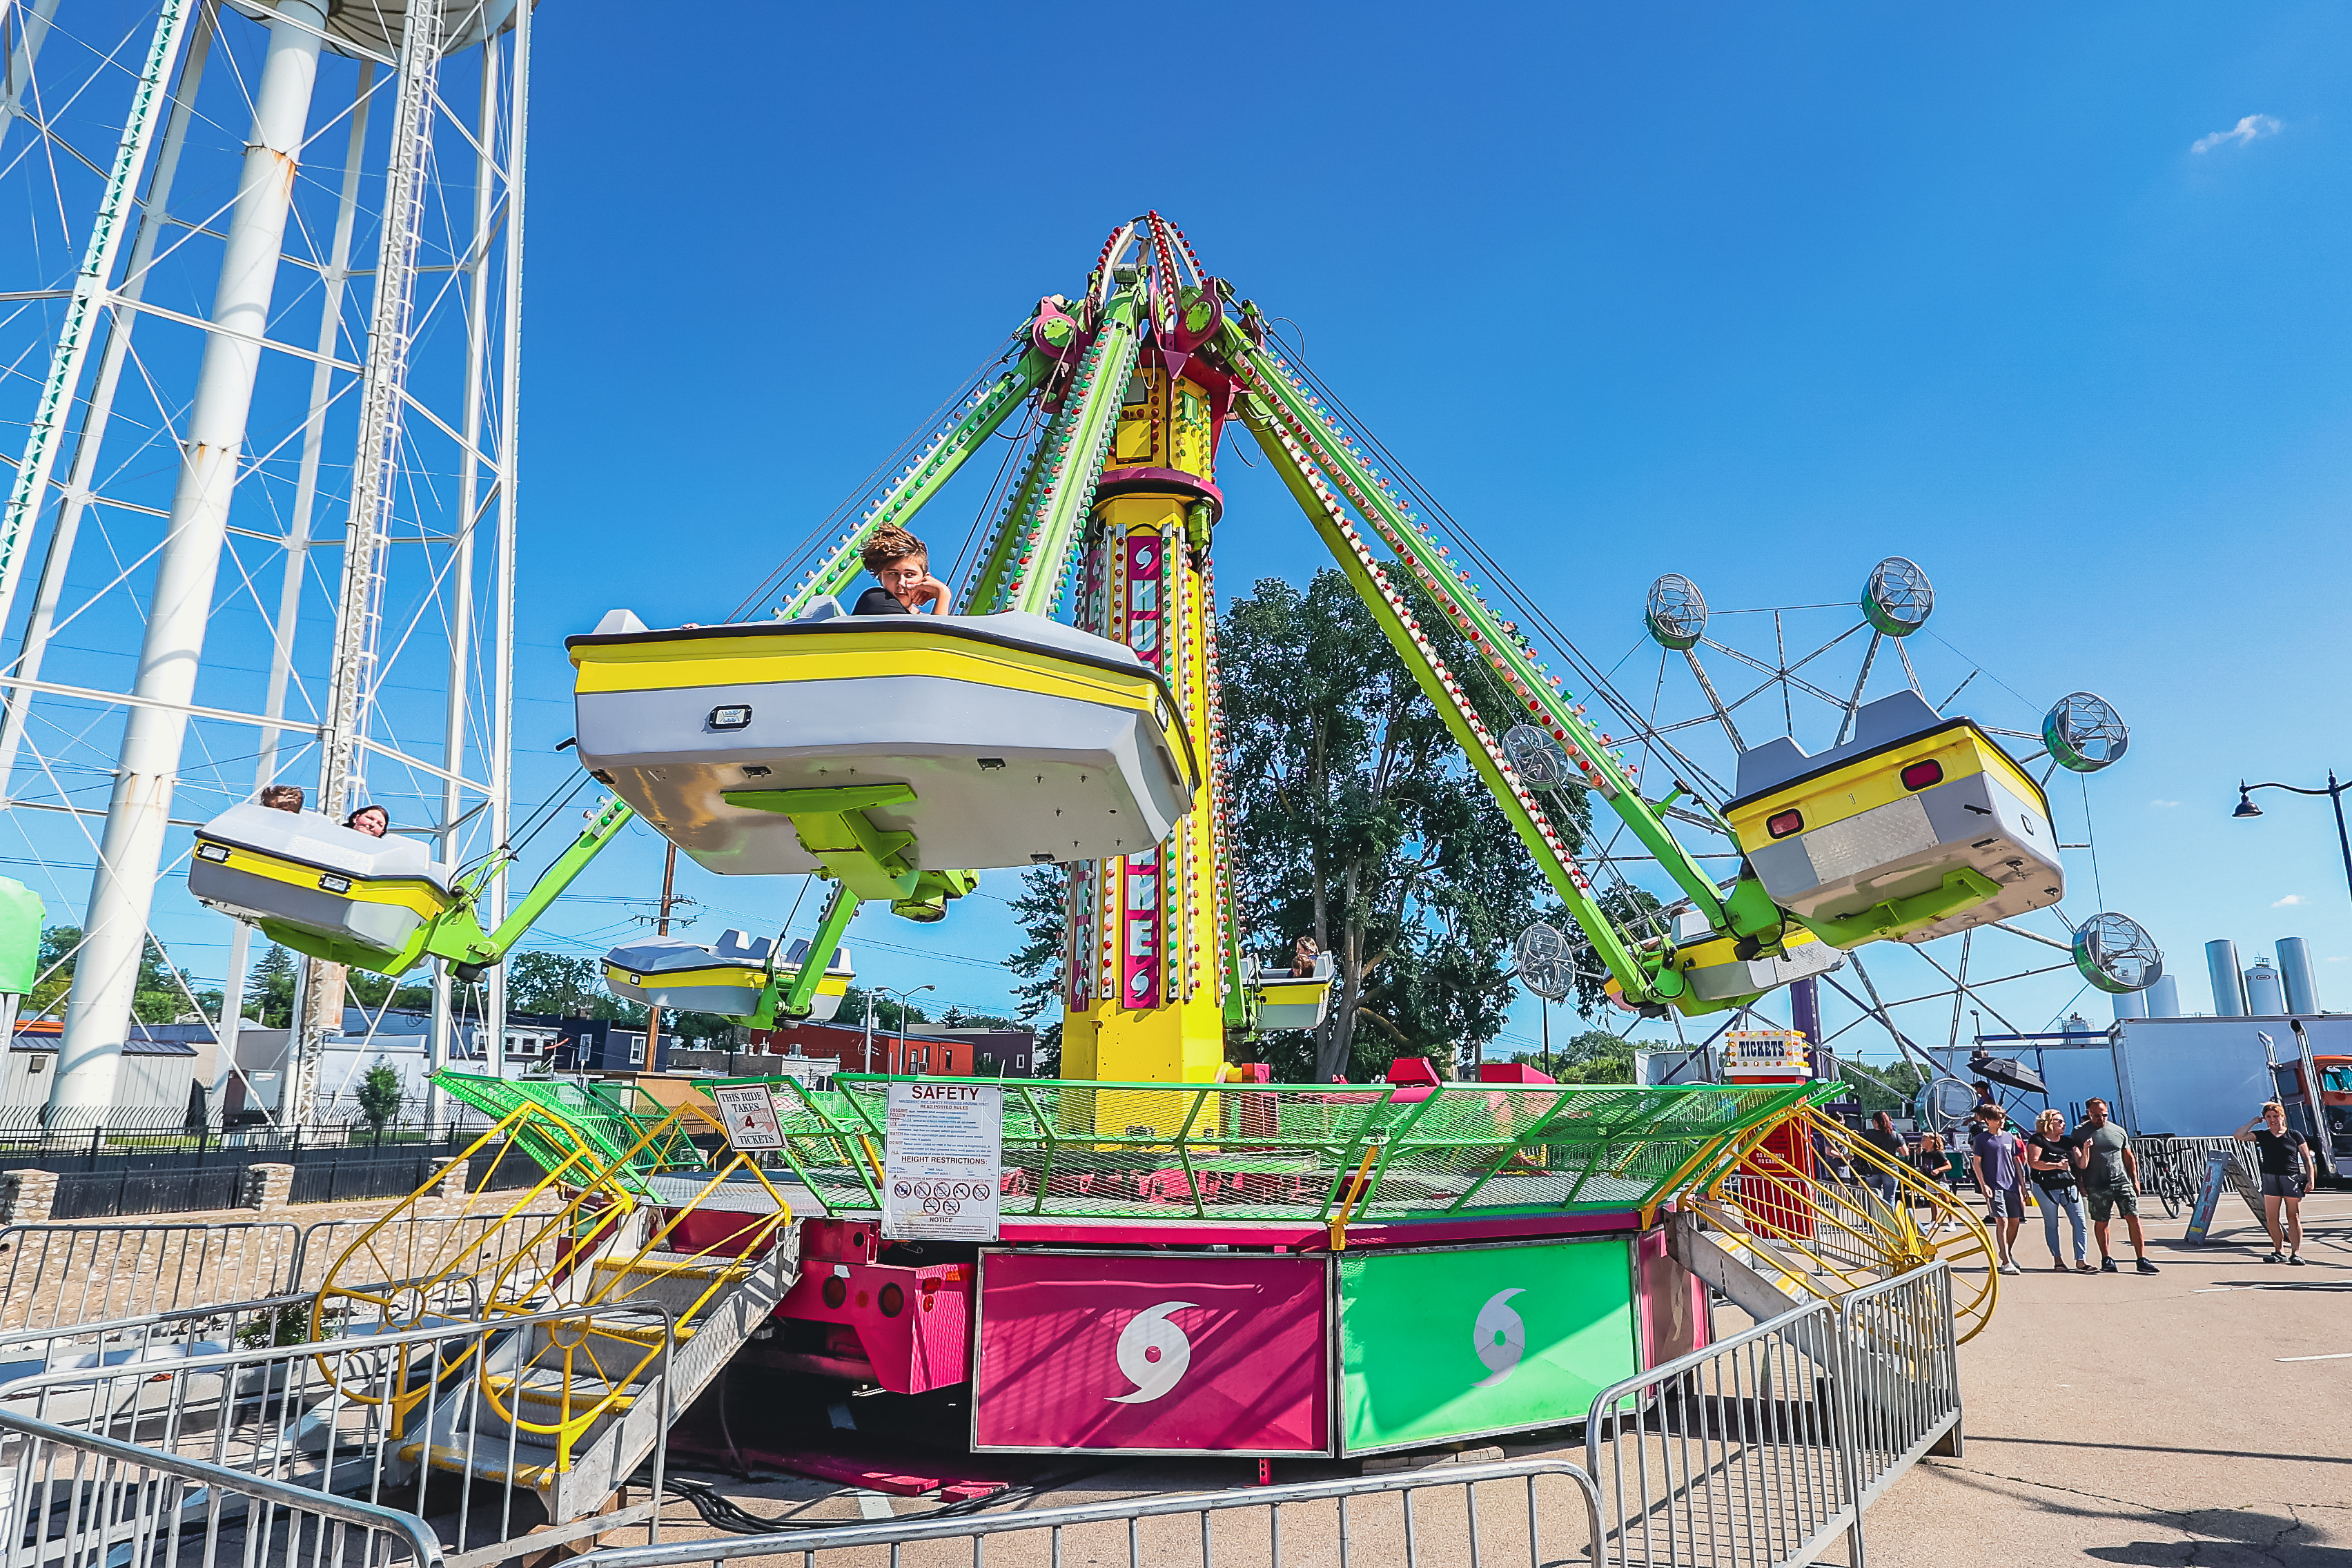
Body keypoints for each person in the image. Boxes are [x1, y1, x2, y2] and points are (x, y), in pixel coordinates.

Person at [2067, 1097, 2158, 1274]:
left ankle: (2142, 1259)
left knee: (2133, 1217)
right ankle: (2107, 1258)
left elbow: (2128, 1157)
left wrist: (2135, 1180)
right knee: (2102, 1221)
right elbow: (2077, 1162)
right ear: (2088, 1113)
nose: (2100, 1119)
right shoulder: (2079, 1133)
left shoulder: (2118, 1131)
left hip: (2121, 1181)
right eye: (2096, 1116)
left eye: (2104, 1115)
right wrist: (2080, 1183)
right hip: (2096, 1184)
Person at [2235, 1100, 2317, 1265]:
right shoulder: (2263, 1135)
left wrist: (2311, 1179)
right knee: (2272, 1218)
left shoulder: (2294, 1135)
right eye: (2269, 1117)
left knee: (2293, 1216)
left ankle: (2296, 1253)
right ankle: (2279, 1251)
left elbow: (2306, 1158)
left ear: (2282, 1117)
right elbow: (2239, 1135)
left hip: (2291, 1178)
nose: (2273, 1119)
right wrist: (2253, 1122)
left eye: (2276, 1116)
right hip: (2271, 1178)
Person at [2026, 1108, 2093, 1273]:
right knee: (2052, 1224)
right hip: (2045, 1187)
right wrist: (2056, 1165)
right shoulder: (2038, 1140)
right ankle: (2058, 1259)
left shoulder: (2068, 1142)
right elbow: (2034, 1162)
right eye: (2059, 1121)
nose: (2064, 1124)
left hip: (2068, 1186)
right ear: (2049, 1123)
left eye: (2063, 1121)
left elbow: (2082, 1164)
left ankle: (2081, 1260)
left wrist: (2085, 1150)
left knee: (2080, 1222)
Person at [1968, 1105, 2026, 1274]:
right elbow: (1977, 1163)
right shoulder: (1981, 1139)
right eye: (1997, 1119)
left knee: (2015, 1221)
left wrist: (2023, 1185)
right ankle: (2006, 1261)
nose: (2001, 1122)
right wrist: (1983, 1184)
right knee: (2002, 1220)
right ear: (1988, 1120)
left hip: (2012, 1185)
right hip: (1994, 1185)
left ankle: (2006, 1251)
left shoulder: (2010, 1137)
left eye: (2003, 1118)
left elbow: (2017, 1162)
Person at [850, 525, 948, 616]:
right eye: (893, 574)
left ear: (925, 580)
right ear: (880, 577)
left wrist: (942, 593)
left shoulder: (927, 619)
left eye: (910, 575)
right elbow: (931, 634)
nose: (901, 582)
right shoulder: (875, 601)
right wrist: (944, 594)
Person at [1858, 1110, 1908, 1207]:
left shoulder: (1868, 1134)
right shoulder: (1895, 1135)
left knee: (1875, 1197)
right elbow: (1905, 1153)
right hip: (1890, 1169)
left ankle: (1876, 1220)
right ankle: (1890, 1220)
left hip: (1873, 1169)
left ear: (1875, 1122)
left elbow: (1862, 1146)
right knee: (1890, 1198)